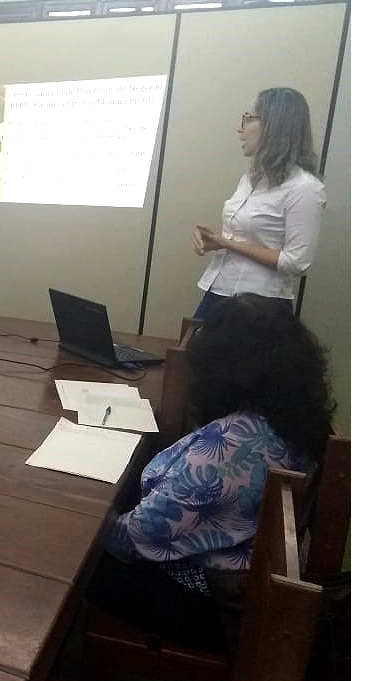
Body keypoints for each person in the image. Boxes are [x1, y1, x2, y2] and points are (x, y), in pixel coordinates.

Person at [89, 294, 334, 651]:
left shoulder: (229, 448)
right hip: (244, 570)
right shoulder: (294, 418)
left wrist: (79, 515)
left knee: (74, 557)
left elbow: (131, 540)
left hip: (210, 603)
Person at [192, 87, 326, 318]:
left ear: (274, 125)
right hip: (218, 290)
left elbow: (297, 262)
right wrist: (216, 242)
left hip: (261, 306)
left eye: (248, 118)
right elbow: (250, 237)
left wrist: (229, 244)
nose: (240, 128)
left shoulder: (304, 187)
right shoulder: (250, 179)